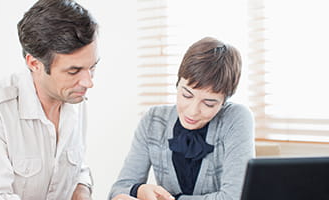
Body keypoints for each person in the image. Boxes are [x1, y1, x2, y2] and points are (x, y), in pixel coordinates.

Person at [0, 0, 98, 200]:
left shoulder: (73, 98)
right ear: (34, 63)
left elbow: (77, 167)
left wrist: (82, 190)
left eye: (92, 67)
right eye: (74, 71)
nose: (88, 82)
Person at [109, 37, 255, 200]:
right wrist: (139, 190)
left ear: (224, 102)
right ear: (177, 83)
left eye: (208, 103)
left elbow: (235, 197)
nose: (192, 112)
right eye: (186, 95)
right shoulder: (154, 120)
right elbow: (118, 190)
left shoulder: (236, 118)